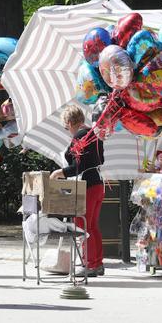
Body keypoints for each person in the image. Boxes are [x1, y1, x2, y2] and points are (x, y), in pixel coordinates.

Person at [50, 104, 105, 277]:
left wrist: (61, 172)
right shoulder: (94, 134)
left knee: (82, 225)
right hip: (98, 183)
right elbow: (99, 159)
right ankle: (97, 263)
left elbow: (78, 165)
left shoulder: (80, 136)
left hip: (87, 185)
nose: (67, 130)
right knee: (92, 225)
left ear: (70, 121)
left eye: (66, 126)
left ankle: (89, 264)